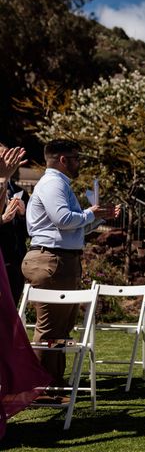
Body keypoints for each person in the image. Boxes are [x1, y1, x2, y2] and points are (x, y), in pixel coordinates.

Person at [21, 139, 118, 402]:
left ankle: (55, 385)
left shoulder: (61, 184)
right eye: (76, 157)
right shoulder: (53, 183)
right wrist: (90, 212)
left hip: (63, 260)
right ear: (63, 159)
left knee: (61, 330)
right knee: (49, 328)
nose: (79, 162)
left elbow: (75, 227)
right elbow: (63, 220)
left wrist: (99, 217)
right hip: (51, 260)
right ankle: (40, 389)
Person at [0, 146, 51, 440]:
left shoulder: (19, 189)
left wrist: (15, 217)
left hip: (11, 261)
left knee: (7, 332)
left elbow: (29, 226)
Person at [0, 142, 29, 305]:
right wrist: (3, 218)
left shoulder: (21, 192)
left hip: (16, 261)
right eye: (2, 158)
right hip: (1, 257)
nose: (8, 161)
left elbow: (28, 230)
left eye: (9, 156)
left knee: (11, 311)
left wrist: (23, 215)